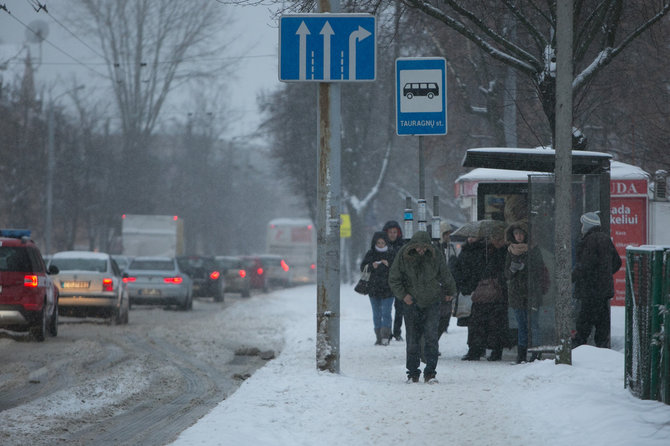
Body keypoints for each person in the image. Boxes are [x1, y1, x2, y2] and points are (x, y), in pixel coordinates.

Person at [388, 231, 457, 383]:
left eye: (423, 248)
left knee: (431, 337)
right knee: (412, 338)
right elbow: (394, 278)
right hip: (411, 302)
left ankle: (430, 372)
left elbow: (445, 274)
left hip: (432, 301)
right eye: (418, 248)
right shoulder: (403, 255)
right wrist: (403, 295)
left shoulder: (435, 255)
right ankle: (413, 372)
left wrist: (451, 291)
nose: (421, 250)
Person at [572, 211, 622, 348]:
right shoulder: (605, 238)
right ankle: (602, 349)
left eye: (582, 225)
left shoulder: (590, 240)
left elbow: (585, 265)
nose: (581, 227)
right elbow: (617, 262)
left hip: (590, 289)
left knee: (584, 321)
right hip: (603, 290)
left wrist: (571, 277)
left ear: (587, 226)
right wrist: (604, 274)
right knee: (602, 321)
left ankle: (578, 349)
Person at [461, 228, 509, 361]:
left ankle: (493, 349)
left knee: (495, 322)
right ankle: (477, 349)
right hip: (484, 291)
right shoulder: (484, 251)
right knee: (479, 321)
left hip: (497, 291)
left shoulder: (503, 252)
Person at [504, 221, 545, 363]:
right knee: (521, 325)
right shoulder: (510, 250)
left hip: (532, 292)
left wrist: (526, 267)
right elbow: (506, 274)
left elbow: (540, 269)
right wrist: (513, 269)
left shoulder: (533, 249)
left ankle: (536, 353)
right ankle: (521, 355)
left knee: (534, 324)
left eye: (521, 233)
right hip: (516, 293)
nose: (519, 236)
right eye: (516, 234)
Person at [360, 231, 395, 346]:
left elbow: (397, 269)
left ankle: (386, 335)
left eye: (383, 243)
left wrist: (388, 264)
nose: (380, 245)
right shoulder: (370, 253)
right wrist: (371, 266)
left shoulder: (391, 253)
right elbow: (363, 267)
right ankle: (378, 336)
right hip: (373, 289)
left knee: (386, 312)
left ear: (386, 243)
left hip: (388, 289)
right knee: (376, 313)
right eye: (378, 242)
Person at [383, 220, 406, 342]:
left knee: (399, 308)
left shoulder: (402, 246)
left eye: (394, 232)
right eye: (390, 232)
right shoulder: (381, 245)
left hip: (399, 281)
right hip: (385, 282)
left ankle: (397, 332)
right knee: (386, 309)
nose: (392, 234)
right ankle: (387, 331)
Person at [437, 222, 458, 339]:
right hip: (439, 287)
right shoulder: (436, 248)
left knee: (445, 317)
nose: (448, 236)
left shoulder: (451, 248)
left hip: (448, 285)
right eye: (446, 234)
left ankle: (434, 342)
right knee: (439, 317)